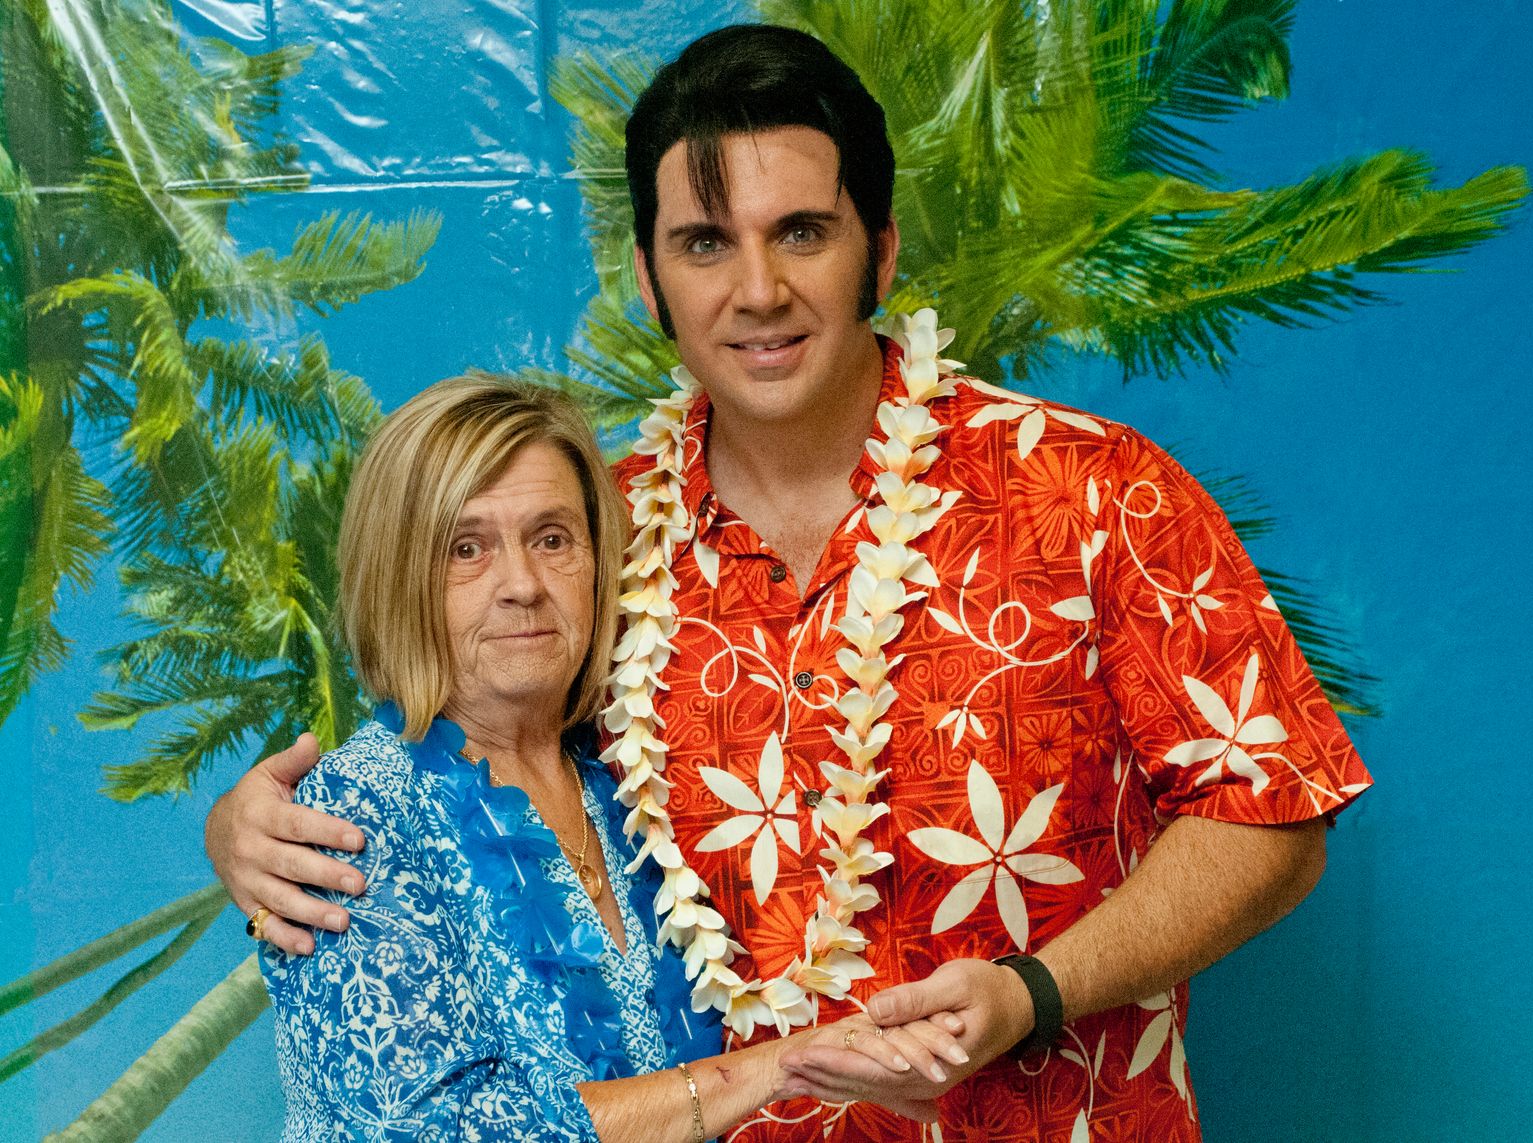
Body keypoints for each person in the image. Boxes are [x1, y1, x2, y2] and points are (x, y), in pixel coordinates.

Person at [209, 25, 1374, 1141]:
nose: (757, 290)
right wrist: (254, 832)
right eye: (705, 243)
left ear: (881, 250)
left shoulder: (1091, 489)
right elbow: (468, 762)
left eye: (802, 232)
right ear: (650, 279)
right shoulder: (594, 536)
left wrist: (1035, 992)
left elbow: (1271, 811)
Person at [255, 374, 964, 1141]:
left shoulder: (629, 777)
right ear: (400, 580)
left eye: (552, 539)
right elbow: (427, 1129)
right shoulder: (349, 813)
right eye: (467, 547)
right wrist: (777, 1066)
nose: (522, 585)